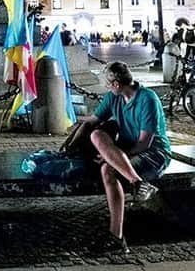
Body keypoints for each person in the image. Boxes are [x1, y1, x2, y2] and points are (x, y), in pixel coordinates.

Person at [64, 61, 171, 254]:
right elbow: (90, 124)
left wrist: (112, 159)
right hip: (126, 151)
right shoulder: (113, 98)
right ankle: (138, 184)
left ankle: (116, 237)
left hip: (153, 154)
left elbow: (144, 144)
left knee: (108, 169)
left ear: (116, 84)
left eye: (107, 83)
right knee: (97, 135)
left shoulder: (148, 99)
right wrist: (69, 146)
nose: (105, 86)